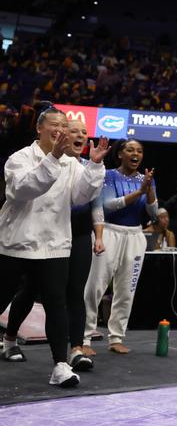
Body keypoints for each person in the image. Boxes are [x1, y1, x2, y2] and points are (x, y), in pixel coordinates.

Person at [1, 112, 108, 383]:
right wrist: (53, 160)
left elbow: (81, 196)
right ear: (39, 129)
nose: (61, 130)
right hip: (16, 243)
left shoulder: (71, 165)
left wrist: (94, 167)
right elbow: (23, 189)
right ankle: (10, 340)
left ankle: (60, 365)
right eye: (55, 125)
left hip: (55, 244)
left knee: (57, 304)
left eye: (64, 126)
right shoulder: (20, 158)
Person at [84, 139, 158, 355]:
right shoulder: (108, 175)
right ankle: (84, 337)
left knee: (126, 289)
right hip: (108, 232)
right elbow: (107, 206)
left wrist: (149, 190)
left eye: (139, 151)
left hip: (135, 235)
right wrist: (139, 192)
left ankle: (116, 337)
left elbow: (154, 214)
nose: (135, 154)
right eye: (130, 150)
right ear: (120, 154)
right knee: (95, 286)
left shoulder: (147, 180)